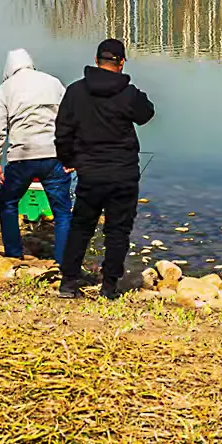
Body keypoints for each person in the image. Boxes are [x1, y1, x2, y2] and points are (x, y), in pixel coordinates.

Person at [56, 38, 155, 299]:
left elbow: (63, 131)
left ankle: (68, 282)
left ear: (96, 60)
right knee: (118, 230)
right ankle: (109, 286)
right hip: (123, 173)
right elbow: (146, 114)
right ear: (121, 62)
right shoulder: (128, 93)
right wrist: (135, 93)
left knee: (81, 227)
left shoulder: (76, 92)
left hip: (89, 173)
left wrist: (68, 160)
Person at [0, 49, 72, 266]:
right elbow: (69, 119)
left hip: (21, 158)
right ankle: (64, 262)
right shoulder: (54, 83)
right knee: (62, 211)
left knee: (8, 202)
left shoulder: (4, 90)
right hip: (54, 155)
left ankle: (14, 254)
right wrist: (72, 155)